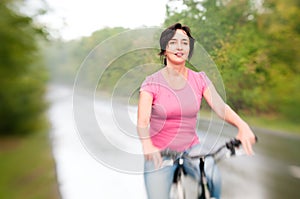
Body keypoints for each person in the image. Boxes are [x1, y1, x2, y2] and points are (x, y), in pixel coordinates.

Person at [137, 23, 256, 199]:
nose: (180, 47)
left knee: (213, 177)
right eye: (173, 42)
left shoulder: (199, 79)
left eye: (185, 43)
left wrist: (242, 125)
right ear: (164, 49)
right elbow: (142, 122)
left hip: (191, 148)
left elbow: (221, 108)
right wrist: (147, 145)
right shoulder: (151, 83)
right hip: (160, 152)